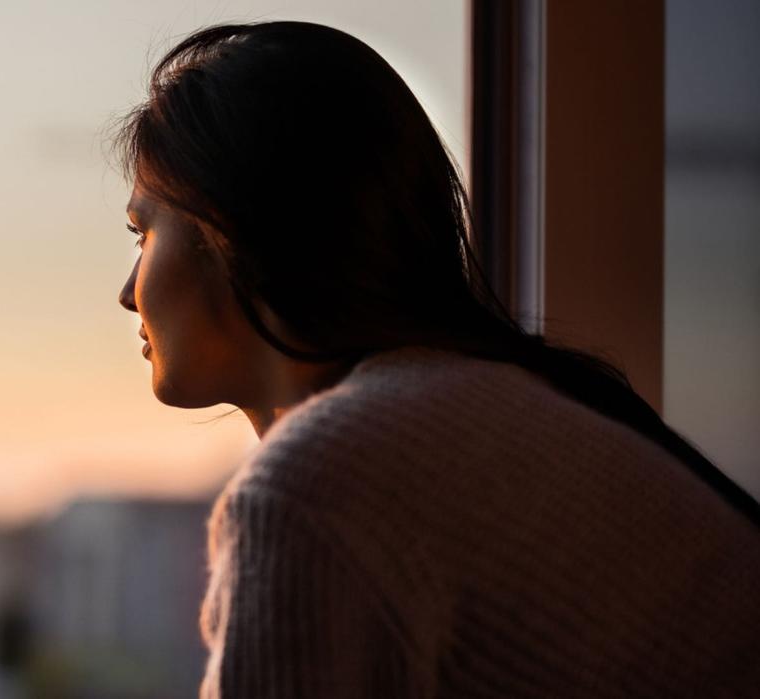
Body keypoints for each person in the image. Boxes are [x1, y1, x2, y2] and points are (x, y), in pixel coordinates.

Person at [113, 21, 760, 698]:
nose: (129, 294)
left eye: (142, 231)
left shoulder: (321, 484)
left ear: (228, 232)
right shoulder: (493, 407)